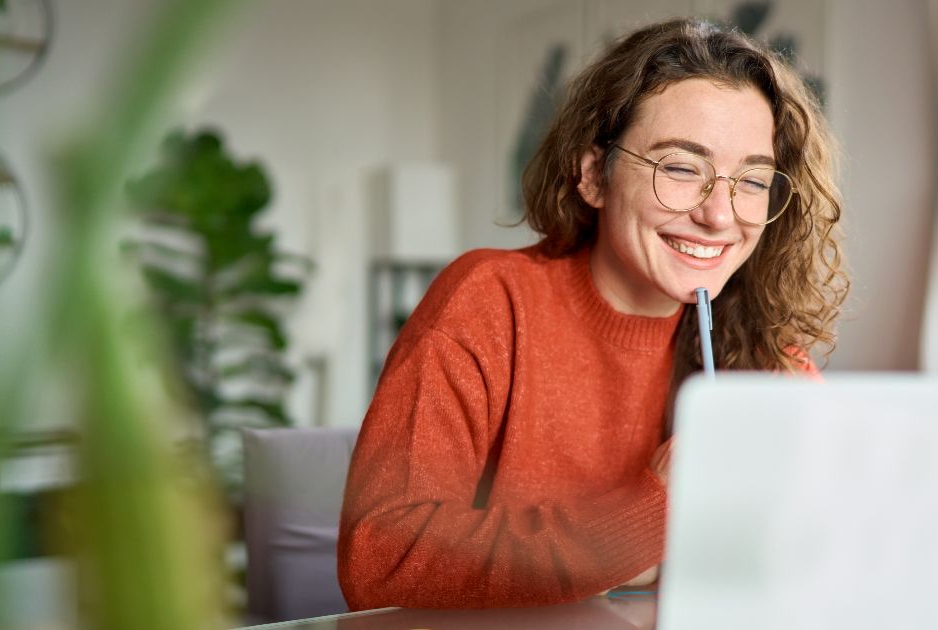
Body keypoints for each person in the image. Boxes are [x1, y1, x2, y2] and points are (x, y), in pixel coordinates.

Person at [338, 17, 847, 610]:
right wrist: (652, 510)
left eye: (752, 180)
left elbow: (825, 554)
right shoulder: (488, 302)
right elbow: (381, 558)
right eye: (681, 167)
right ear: (592, 175)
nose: (719, 215)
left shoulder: (764, 351)